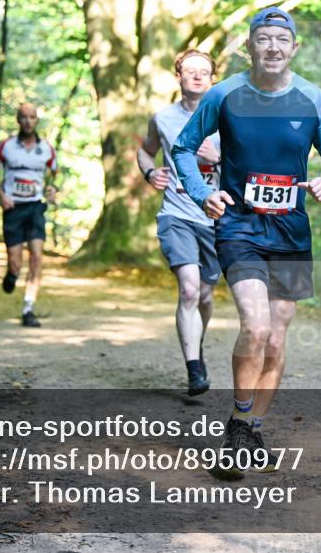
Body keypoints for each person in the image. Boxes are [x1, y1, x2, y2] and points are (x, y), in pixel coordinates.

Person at [172, 6, 321, 478]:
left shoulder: (313, 100)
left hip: (291, 230)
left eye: (281, 39)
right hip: (240, 225)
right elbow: (184, 149)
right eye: (263, 38)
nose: (272, 47)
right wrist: (203, 193)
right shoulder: (225, 94)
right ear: (249, 46)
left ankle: (251, 427)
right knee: (254, 325)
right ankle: (236, 429)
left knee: (277, 334)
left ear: (294, 48)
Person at [138, 49, 222, 396]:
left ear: (213, 79)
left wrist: (218, 159)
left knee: (204, 295)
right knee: (188, 288)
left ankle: (195, 342)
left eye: (205, 72)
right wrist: (149, 171)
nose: (198, 76)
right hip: (177, 214)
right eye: (191, 71)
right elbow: (145, 150)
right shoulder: (163, 118)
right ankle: (193, 370)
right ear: (179, 77)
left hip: (215, 218)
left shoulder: (228, 120)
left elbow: (248, 170)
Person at [0, 103, 58, 328]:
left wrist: (52, 188)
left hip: (36, 207)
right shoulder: (5, 147)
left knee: (37, 256)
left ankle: (28, 308)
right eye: (24, 117)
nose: (28, 121)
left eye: (32, 117)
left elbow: (54, 173)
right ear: (18, 120)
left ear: (37, 120)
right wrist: (1, 195)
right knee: (16, 263)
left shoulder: (47, 148)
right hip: (13, 208)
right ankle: (11, 274)